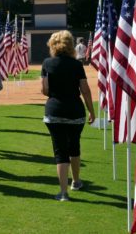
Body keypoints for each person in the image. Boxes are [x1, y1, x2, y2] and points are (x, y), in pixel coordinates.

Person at [41, 30, 95, 201]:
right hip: (75, 111)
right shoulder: (77, 65)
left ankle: (63, 192)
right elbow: (85, 90)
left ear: (53, 45)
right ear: (70, 45)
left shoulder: (47, 63)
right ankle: (76, 181)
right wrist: (92, 111)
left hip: (54, 111)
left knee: (60, 152)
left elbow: (45, 90)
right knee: (74, 146)